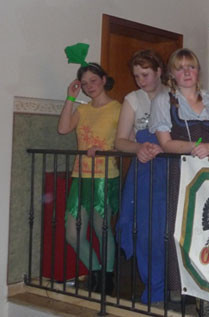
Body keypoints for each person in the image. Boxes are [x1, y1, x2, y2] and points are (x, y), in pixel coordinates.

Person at [149, 48, 209, 306]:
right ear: (172, 74)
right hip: (182, 172)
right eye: (180, 67)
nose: (186, 72)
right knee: (180, 228)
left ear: (198, 71)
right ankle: (181, 289)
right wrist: (196, 147)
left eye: (191, 66)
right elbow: (166, 143)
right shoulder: (164, 101)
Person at [57, 62, 121, 294]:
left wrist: (106, 151)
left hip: (105, 176)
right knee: (72, 234)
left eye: (93, 80)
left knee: (101, 228)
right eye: (84, 83)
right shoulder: (83, 110)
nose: (89, 86)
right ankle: (96, 271)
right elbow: (63, 128)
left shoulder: (118, 108)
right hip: (80, 175)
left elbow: (126, 142)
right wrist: (70, 97)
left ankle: (107, 278)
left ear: (104, 80)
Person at [115, 50, 167, 304]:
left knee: (167, 231)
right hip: (145, 170)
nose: (140, 80)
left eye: (145, 74)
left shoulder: (175, 95)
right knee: (145, 232)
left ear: (159, 71)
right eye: (136, 76)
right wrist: (138, 148)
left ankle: (172, 286)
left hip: (171, 170)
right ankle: (154, 289)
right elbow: (120, 141)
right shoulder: (132, 99)